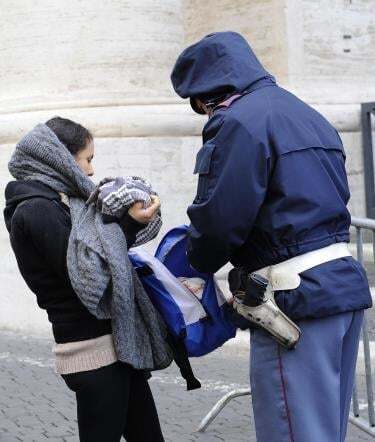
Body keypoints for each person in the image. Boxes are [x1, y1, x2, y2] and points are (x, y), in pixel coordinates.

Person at [170, 31, 373, 442]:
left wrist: (191, 262)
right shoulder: (308, 114)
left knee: (294, 433)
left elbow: (220, 219)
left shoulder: (237, 122)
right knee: (325, 432)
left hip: (293, 302)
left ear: (208, 92)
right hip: (340, 290)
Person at [4, 117, 166, 442]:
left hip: (116, 346)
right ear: (61, 158)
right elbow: (91, 276)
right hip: (92, 353)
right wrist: (128, 225)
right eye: (87, 159)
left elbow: (98, 251)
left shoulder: (61, 203)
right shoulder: (36, 211)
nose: (90, 171)